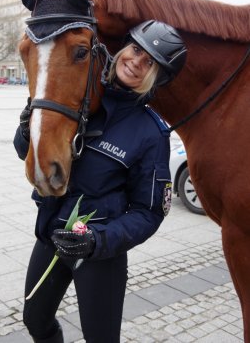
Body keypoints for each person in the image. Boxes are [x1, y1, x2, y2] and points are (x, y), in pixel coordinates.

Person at [14, 19, 187, 343]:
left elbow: (149, 212)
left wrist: (97, 240)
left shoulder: (151, 133)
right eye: (136, 49)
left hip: (99, 253)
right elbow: (29, 152)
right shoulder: (82, 94)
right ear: (123, 47)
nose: (136, 61)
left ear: (157, 77)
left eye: (149, 61)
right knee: (35, 319)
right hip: (52, 234)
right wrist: (26, 130)